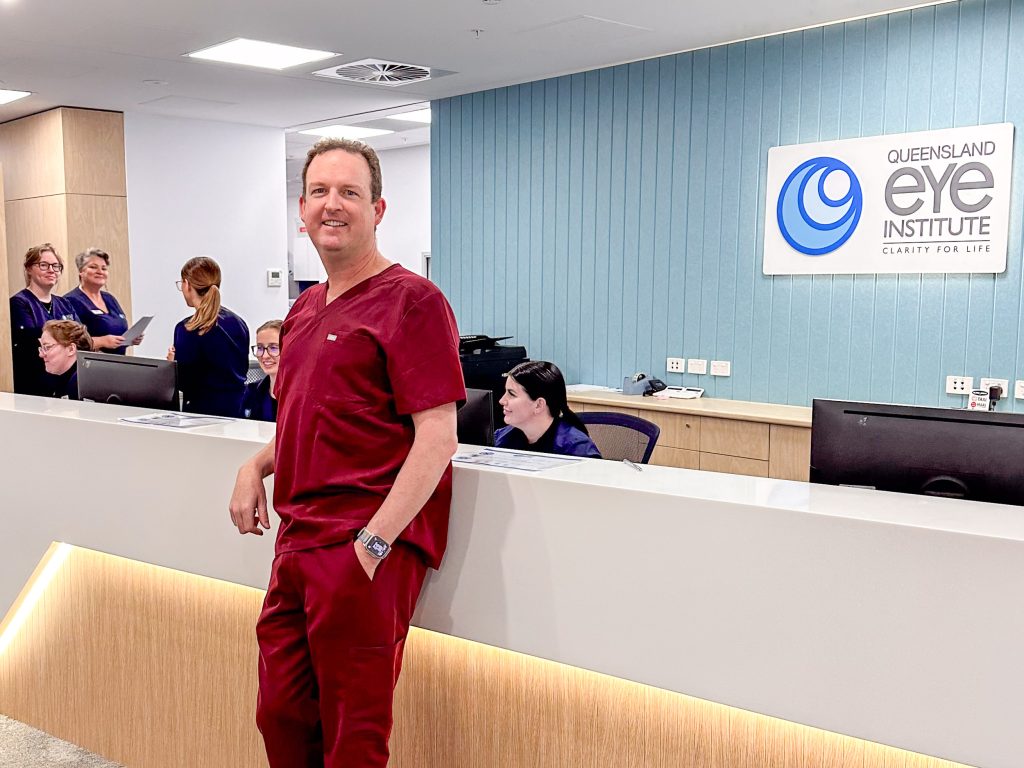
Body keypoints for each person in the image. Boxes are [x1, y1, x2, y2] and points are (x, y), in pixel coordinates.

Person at [228, 137, 464, 768]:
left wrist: (375, 543)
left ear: (378, 209)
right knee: (280, 716)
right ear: (301, 208)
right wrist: (255, 466)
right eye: (320, 193)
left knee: (352, 738)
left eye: (350, 193)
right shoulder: (304, 309)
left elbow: (438, 436)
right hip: (297, 541)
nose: (333, 206)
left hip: (361, 550)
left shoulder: (414, 301)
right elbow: (308, 417)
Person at [167, 257, 249, 417]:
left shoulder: (187, 328)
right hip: (237, 409)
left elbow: (184, 382)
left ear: (187, 285)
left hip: (202, 413)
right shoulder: (239, 322)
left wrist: (172, 365)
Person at [9, 244, 79, 396]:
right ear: (28, 269)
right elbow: (31, 340)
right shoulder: (19, 303)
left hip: (66, 381)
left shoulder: (64, 303)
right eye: (43, 265)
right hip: (34, 383)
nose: (51, 270)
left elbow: (80, 336)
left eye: (56, 266)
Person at [494, 360, 602, 458]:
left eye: (512, 394)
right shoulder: (502, 438)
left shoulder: (577, 449)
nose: (502, 400)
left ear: (539, 405)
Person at [64, 247, 141, 354]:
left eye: (104, 268)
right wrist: (101, 341)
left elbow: (117, 330)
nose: (100, 272)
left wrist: (129, 339)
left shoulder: (109, 298)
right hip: (91, 366)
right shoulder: (69, 301)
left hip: (118, 364)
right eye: (93, 267)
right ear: (81, 271)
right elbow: (69, 341)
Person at [38, 319, 92, 399]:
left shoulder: (84, 384)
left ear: (71, 349)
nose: (41, 354)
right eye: (41, 348)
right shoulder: (53, 380)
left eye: (47, 347)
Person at [241, 319, 282, 422]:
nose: (265, 355)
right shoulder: (250, 392)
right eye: (260, 348)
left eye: (273, 348)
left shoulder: (304, 396)